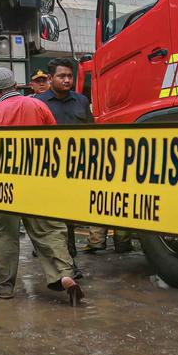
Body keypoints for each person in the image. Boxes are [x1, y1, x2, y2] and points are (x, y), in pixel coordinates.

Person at [0, 67, 83, 305]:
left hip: (4, 184)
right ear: (16, 86)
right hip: (38, 179)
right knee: (48, 230)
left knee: (1, 235)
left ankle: (4, 287)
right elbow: (54, 141)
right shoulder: (38, 105)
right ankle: (64, 275)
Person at [35, 57, 132, 254]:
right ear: (50, 78)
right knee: (51, 215)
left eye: (70, 76)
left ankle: (70, 256)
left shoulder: (81, 100)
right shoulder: (38, 103)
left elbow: (91, 132)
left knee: (70, 214)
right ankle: (57, 253)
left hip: (77, 166)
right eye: (61, 76)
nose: (67, 80)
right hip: (49, 168)